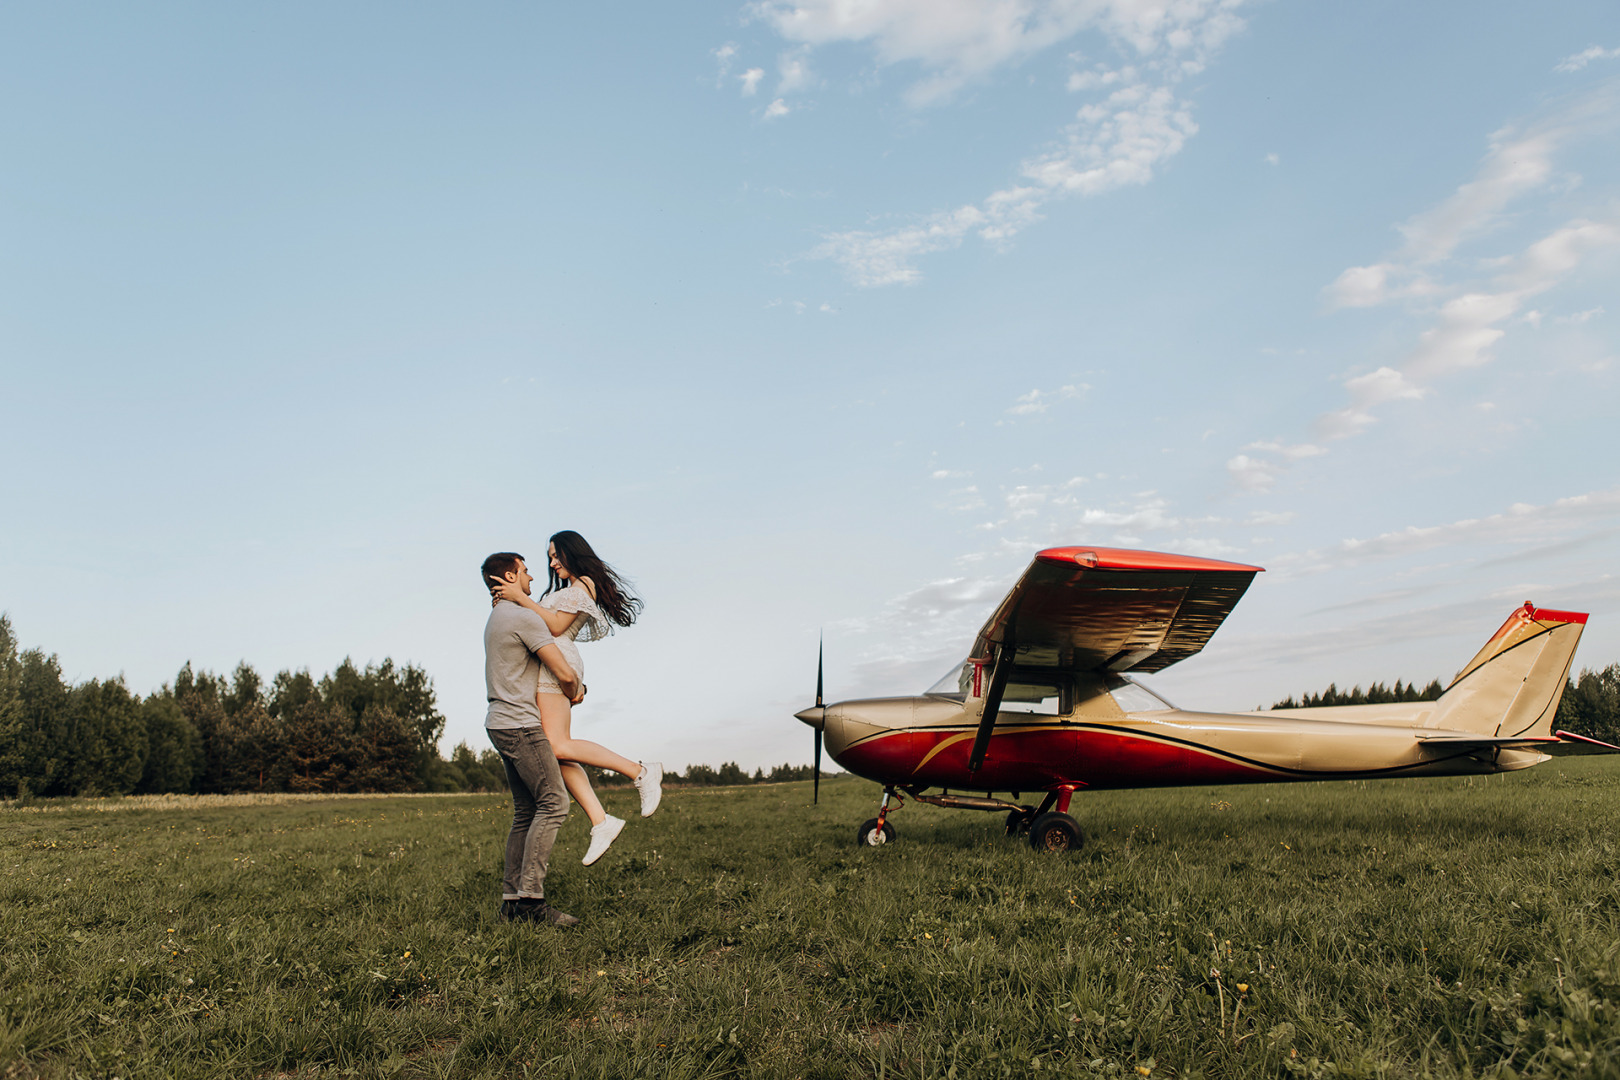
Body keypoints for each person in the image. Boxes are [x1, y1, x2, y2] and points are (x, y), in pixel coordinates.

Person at [490, 530, 661, 866]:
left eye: (556, 555)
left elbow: (554, 626)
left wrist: (521, 599)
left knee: (554, 746)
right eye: (549, 557)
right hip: (549, 665)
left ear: (572, 553)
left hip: (558, 663)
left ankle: (640, 772)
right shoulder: (568, 589)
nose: (552, 563)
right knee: (555, 750)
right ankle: (601, 821)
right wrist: (509, 600)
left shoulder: (584, 584)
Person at [481, 550, 583, 927]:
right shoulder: (523, 617)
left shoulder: (496, 616)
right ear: (509, 576)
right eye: (525, 571)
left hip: (499, 722)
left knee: (526, 811)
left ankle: (512, 902)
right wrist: (577, 687)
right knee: (554, 803)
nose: (531, 579)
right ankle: (531, 903)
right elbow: (563, 670)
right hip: (521, 725)